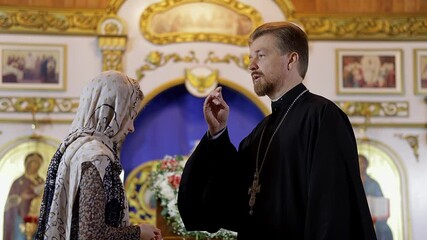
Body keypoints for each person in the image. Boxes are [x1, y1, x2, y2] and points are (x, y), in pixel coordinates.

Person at [177, 21, 377, 239]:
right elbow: (227, 200)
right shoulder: (261, 131)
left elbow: (332, 210)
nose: (251, 65)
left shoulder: (323, 117)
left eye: (260, 56)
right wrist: (217, 135)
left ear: (291, 60)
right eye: (250, 57)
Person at [35, 71, 162, 240]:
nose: (131, 127)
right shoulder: (96, 157)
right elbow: (91, 235)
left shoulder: (74, 148)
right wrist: (138, 233)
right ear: (110, 111)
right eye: (128, 116)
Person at [3, 152, 45, 240]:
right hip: (20, 219)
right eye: (32, 163)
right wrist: (22, 197)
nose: (34, 166)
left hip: (37, 220)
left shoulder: (41, 182)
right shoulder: (18, 182)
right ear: (27, 164)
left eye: (37, 163)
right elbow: (10, 203)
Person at [359, 154, 393, 240]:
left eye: (362, 163)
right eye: (358, 162)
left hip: (374, 219)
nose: (360, 165)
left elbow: (380, 202)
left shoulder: (373, 184)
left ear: (366, 165)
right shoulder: (349, 182)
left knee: (384, 230)